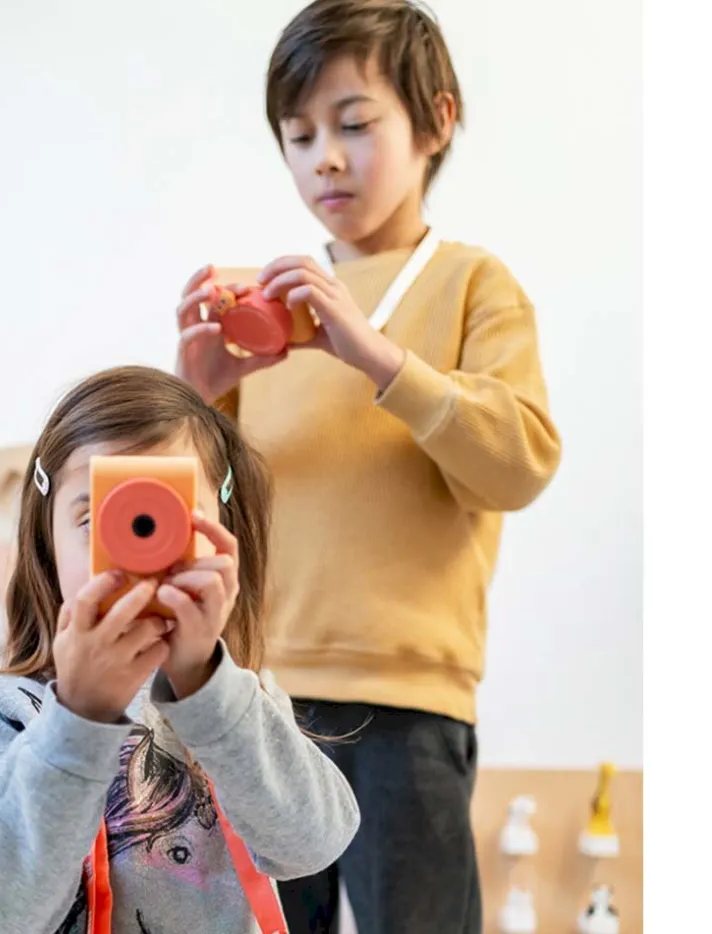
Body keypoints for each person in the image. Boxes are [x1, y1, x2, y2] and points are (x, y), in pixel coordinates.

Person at [174, 2, 563, 931]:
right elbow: (206, 515)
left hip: (408, 704)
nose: (325, 159)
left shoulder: (473, 283)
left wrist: (378, 356)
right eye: (299, 135)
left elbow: (518, 464)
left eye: (353, 123)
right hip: (263, 698)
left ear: (436, 121)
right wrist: (200, 395)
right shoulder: (265, 309)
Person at [0, 365, 361, 934]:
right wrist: (78, 718)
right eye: (95, 518)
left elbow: (314, 844)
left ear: (222, 531)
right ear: (46, 539)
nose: (135, 547)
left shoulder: (239, 700)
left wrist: (207, 685)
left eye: (166, 516)